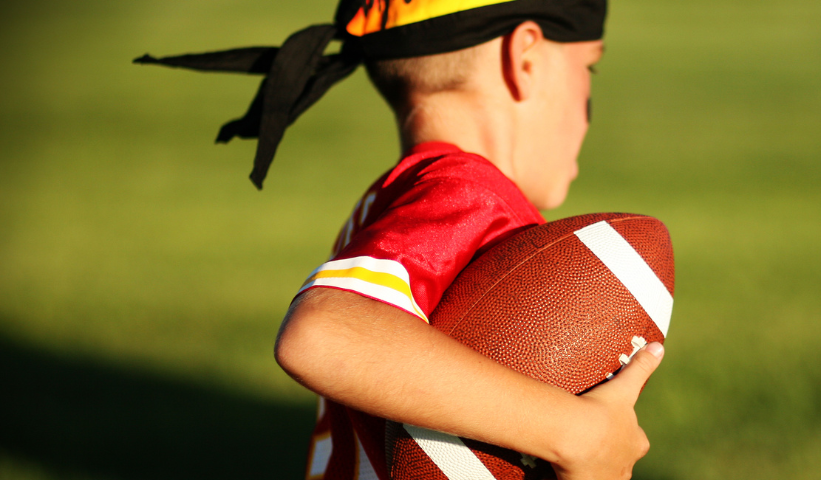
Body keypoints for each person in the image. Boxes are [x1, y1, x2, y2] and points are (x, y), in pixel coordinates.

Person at [136, 1, 663, 479]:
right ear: (524, 57)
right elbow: (321, 332)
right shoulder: (467, 194)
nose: (592, 105)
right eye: (589, 66)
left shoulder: (399, 197)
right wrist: (576, 433)